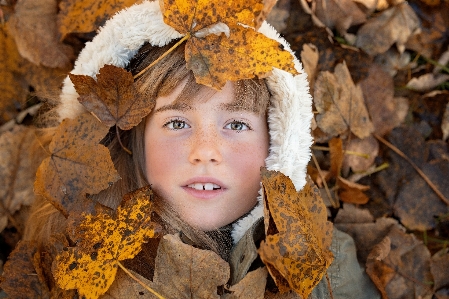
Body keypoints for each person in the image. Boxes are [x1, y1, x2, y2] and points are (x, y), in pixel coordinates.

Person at [18, 1, 380, 298]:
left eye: (236, 125)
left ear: (278, 144)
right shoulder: (70, 260)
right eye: (177, 123)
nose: (205, 151)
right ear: (128, 142)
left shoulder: (321, 263)